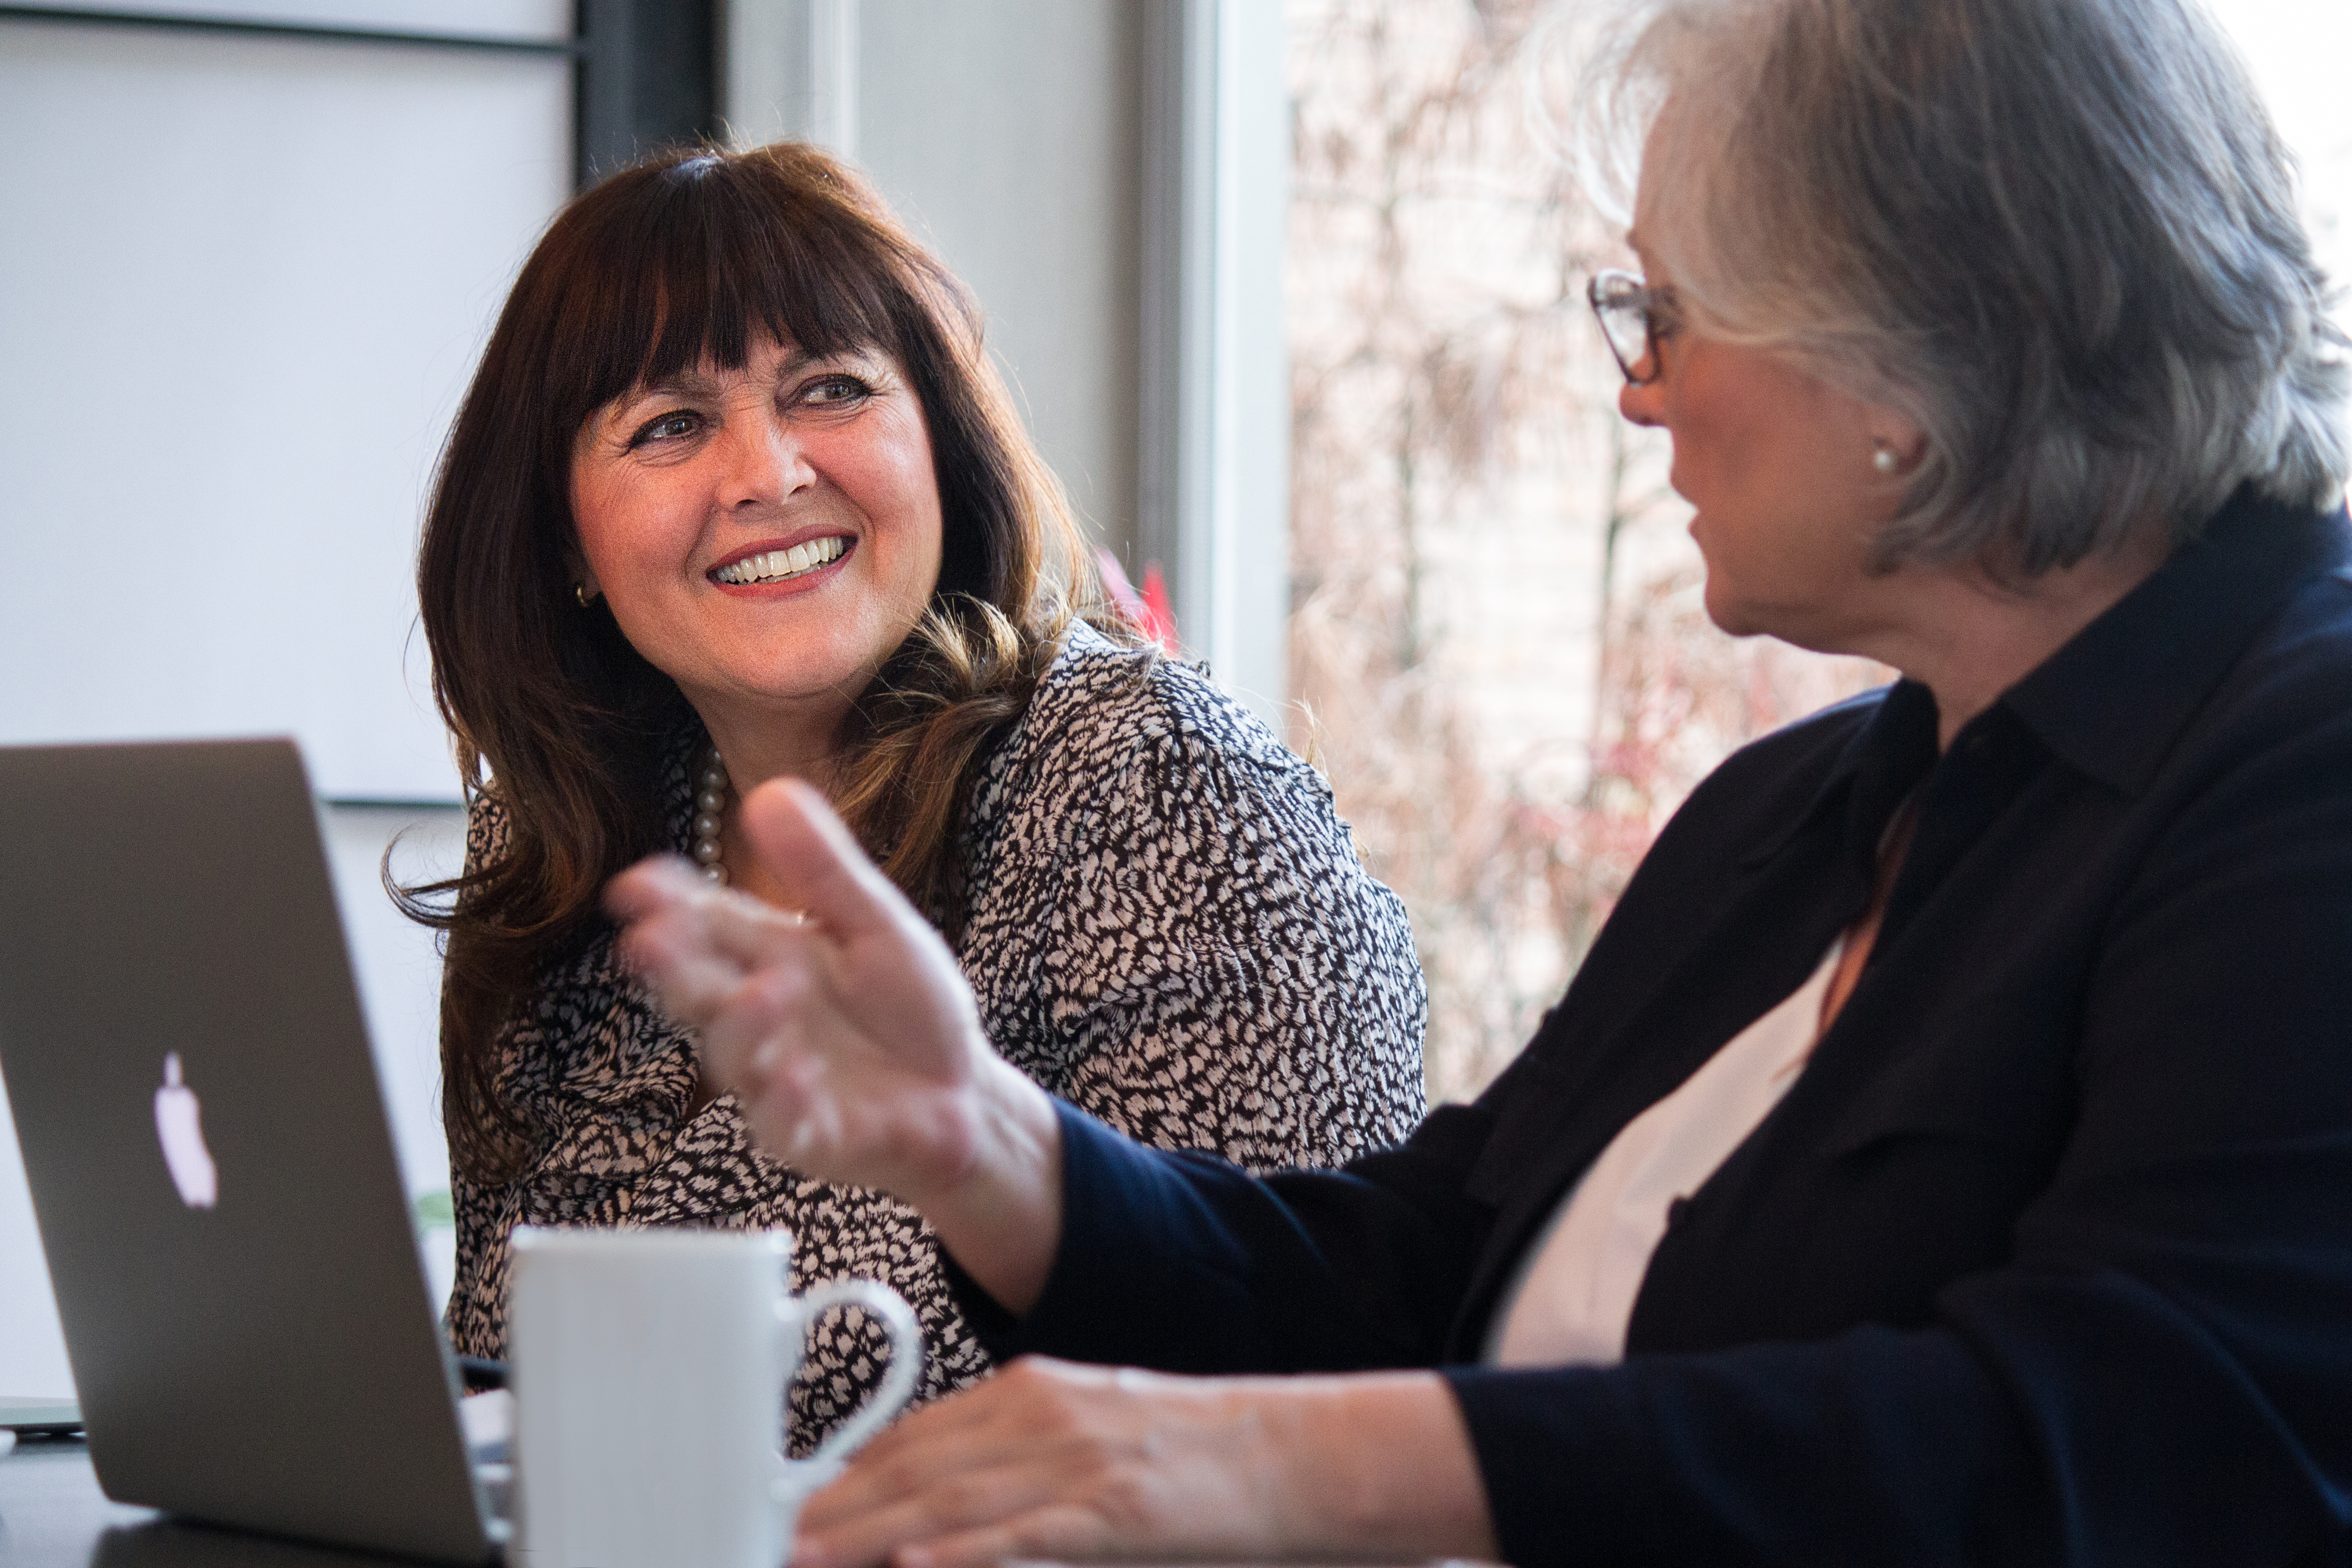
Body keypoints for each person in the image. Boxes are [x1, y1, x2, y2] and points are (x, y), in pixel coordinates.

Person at [608, 0, 2352, 1561]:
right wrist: (977, 1137)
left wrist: (1310, 1469)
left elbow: (2156, 1434)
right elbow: (1416, 1274)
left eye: (1666, 316)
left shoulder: (2299, 767)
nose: (1638, 397)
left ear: (1915, 350)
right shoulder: (1795, 815)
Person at [404, 142, 1427, 1442]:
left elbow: (1299, 1375)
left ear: (938, 441)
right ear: (565, 543)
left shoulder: (1156, 782)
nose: (768, 474)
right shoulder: (563, 856)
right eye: (670, 425)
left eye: (829, 388)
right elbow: (503, 1387)